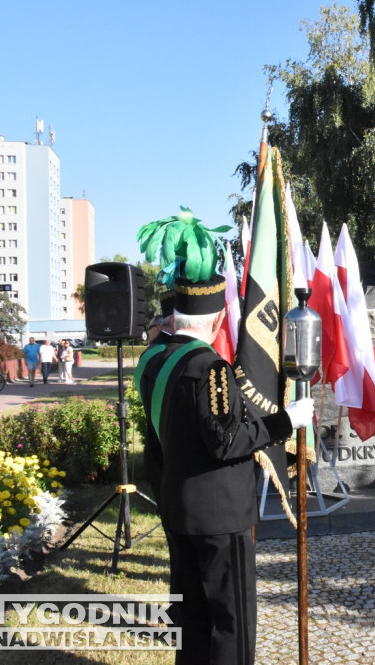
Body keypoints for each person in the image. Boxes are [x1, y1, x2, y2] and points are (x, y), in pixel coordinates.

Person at [134, 275, 314, 663]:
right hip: (220, 516)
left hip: (178, 509)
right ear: (217, 323)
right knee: (231, 622)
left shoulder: (156, 360)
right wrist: (287, 421)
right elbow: (226, 441)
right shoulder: (209, 366)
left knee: (191, 618)